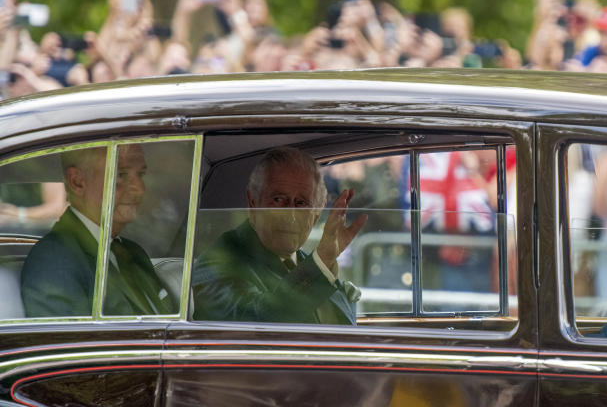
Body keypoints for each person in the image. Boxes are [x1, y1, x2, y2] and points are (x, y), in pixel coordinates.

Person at [191, 147, 367, 324]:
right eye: (278, 200)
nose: (290, 216)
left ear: (316, 214)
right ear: (253, 202)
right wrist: (322, 261)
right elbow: (257, 325)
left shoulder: (308, 262)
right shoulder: (219, 261)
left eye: (301, 203)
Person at [20, 145, 176, 317]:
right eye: (121, 175)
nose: (140, 189)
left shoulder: (133, 252)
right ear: (77, 182)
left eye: (140, 175)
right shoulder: (53, 261)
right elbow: (65, 341)